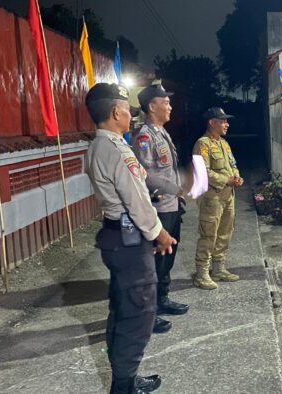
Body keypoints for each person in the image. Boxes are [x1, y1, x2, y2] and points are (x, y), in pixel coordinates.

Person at [84, 83, 176, 393]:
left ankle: (125, 376)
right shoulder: (115, 148)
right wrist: (159, 233)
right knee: (138, 313)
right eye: (127, 110)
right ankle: (123, 385)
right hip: (130, 238)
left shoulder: (97, 146)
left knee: (123, 308)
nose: (129, 115)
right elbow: (136, 200)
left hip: (116, 234)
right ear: (114, 112)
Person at [131, 84, 188, 334]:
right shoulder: (145, 136)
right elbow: (146, 175)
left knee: (168, 256)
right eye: (165, 102)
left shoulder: (161, 133)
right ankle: (149, 311)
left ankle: (162, 299)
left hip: (172, 205)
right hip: (159, 206)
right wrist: (176, 188)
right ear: (152, 106)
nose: (170, 106)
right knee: (155, 261)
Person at [192, 107, 244, 290]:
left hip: (228, 195)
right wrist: (225, 179)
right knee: (209, 235)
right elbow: (202, 172)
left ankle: (219, 268)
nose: (226, 124)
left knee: (225, 232)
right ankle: (202, 273)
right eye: (222, 121)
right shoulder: (202, 144)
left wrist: (236, 176)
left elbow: (233, 164)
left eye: (226, 121)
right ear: (211, 122)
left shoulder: (224, 143)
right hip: (212, 198)